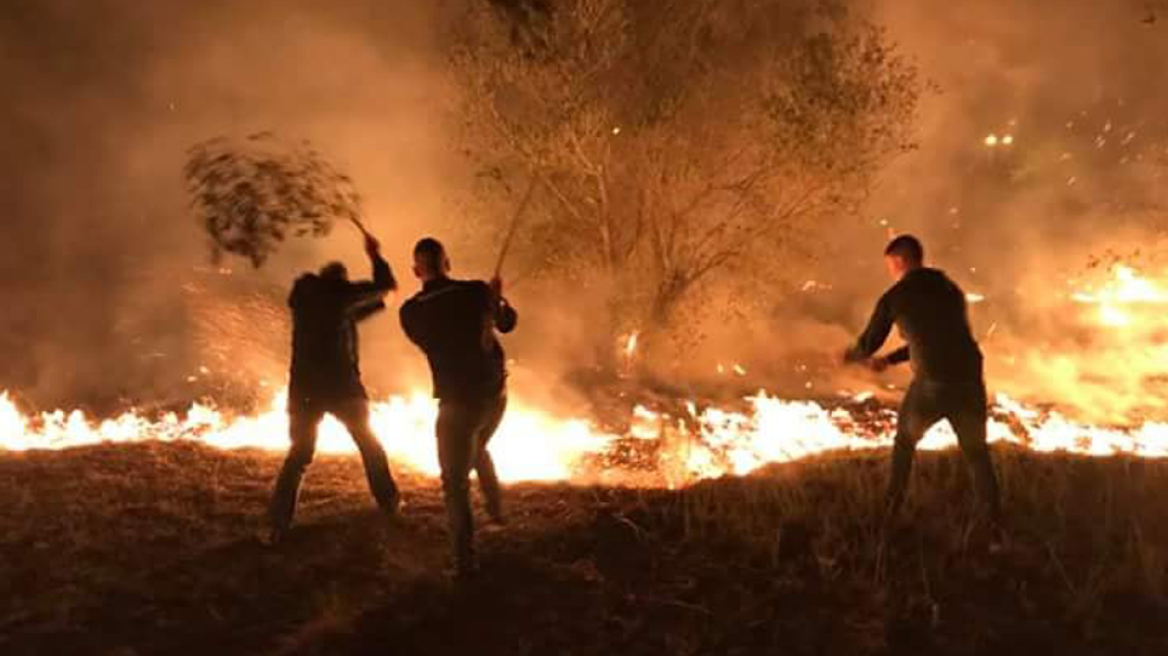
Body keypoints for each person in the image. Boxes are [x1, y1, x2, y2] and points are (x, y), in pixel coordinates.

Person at [843, 235, 1001, 524]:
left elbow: (868, 343)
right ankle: (993, 524)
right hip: (969, 378)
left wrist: (846, 357)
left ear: (900, 260)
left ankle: (890, 511)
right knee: (977, 453)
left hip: (934, 384)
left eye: (890, 264)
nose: (890, 270)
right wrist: (890, 361)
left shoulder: (897, 296)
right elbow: (937, 337)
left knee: (904, 441)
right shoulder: (950, 289)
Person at [267, 233, 401, 544]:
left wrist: (382, 300)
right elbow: (382, 288)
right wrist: (376, 255)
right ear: (341, 283)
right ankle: (389, 501)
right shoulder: (340, 296)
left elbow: (357, 309)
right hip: (342, 388)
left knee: (299, 455)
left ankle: (278, 522)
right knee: (368, 443)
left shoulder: (304, 296)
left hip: (304, 390)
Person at [399, 237, 518, 578]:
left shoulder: (411, 312)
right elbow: (508, 323)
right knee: (478, 446)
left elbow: (428, 339)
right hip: (495, 397)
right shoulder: (476, 292)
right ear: (447, 263)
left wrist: (489, 301)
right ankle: (496, 513)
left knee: (454, 484)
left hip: (457, 403)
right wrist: (497, 299)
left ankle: (465, 565)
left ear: (416, 270)